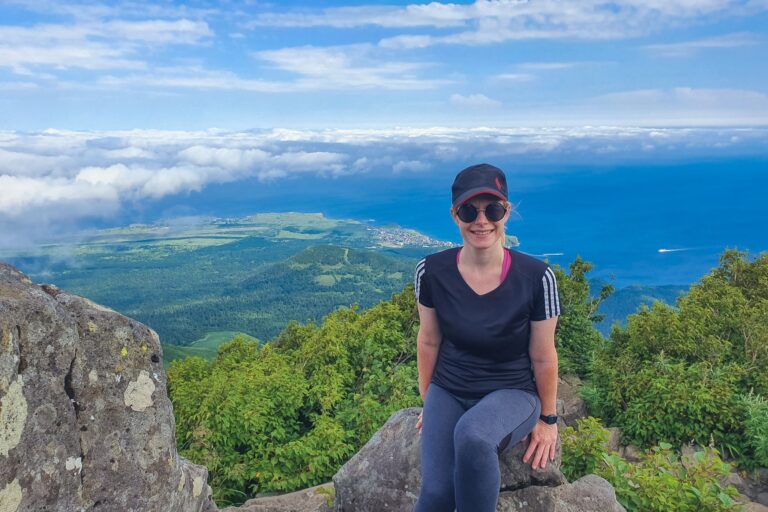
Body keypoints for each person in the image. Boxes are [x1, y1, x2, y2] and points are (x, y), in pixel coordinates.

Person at [413, 163, 561, 512]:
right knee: (435, 496)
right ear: (455, 215)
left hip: (512, 392)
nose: (482, 220)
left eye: (492, 209)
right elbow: (428, 340)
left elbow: (543, 355)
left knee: (474, 436)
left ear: (506, 212)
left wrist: (548, 419)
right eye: (469, 210)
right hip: (449, 389)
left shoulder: (537, 278)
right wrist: (429, 402)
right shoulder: (431, 272)